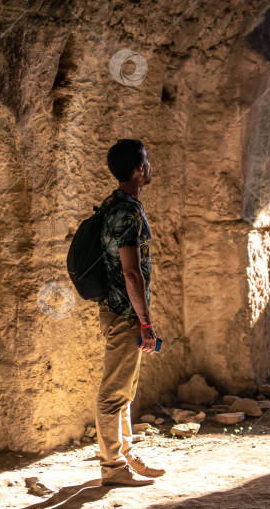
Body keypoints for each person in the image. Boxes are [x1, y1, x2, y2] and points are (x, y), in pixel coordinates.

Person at [95, 139, 165, 486]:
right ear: (139, 169)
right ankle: (112, 468)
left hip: (121, 311)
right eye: (147, 161)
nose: (150, 166)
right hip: (125, 314)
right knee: (113, 393)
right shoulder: (126, 212)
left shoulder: (117, 204)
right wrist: (146, 323)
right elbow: (131, 272)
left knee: (125, 389)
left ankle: (124, 453)